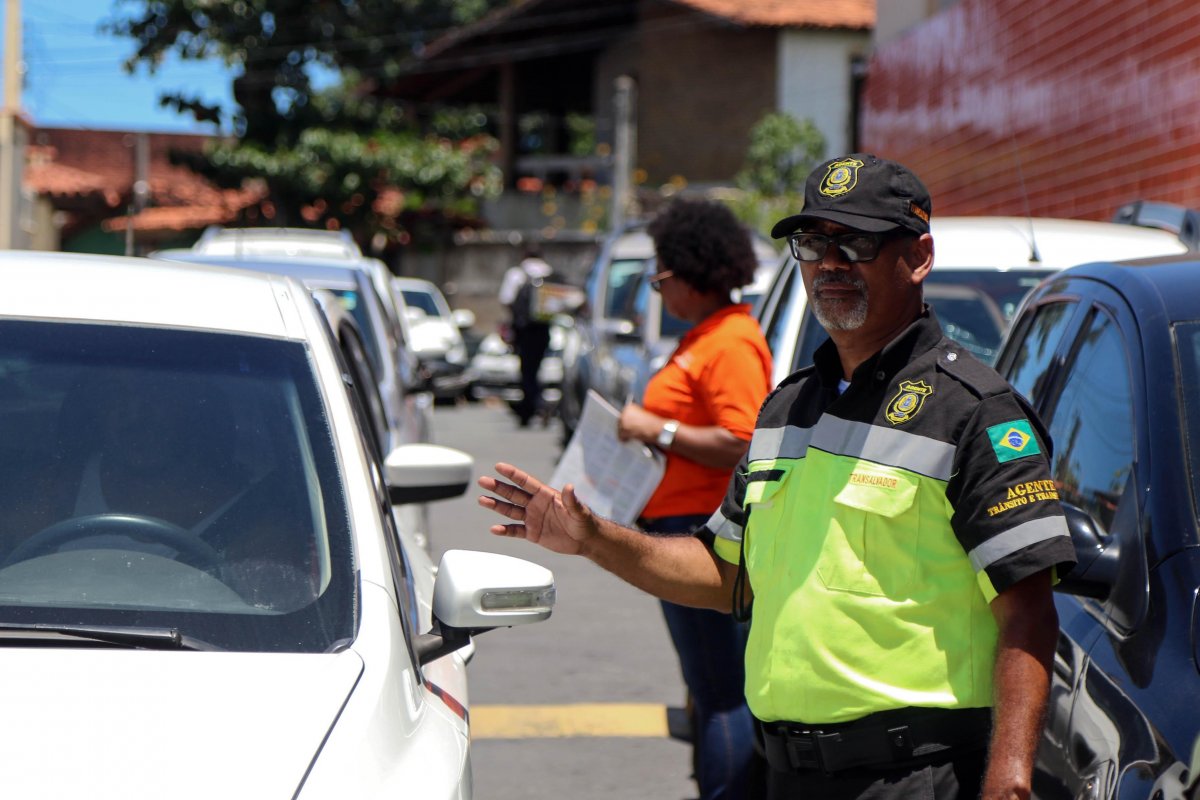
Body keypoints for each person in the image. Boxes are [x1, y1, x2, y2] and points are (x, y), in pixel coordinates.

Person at [478, 153, 1078, 800]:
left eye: (857, 242)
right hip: (788, 775)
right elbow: (723, 573)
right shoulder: (786, 410)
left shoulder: (973, 410)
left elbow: (1027, 611)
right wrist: (593, 538)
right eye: (813, 243)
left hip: (915, 777)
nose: (830, 263)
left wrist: (1008, 779)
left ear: (919, 256)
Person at [616, 197, 772, 800]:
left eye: (661, 278)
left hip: (707, 532)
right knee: (708, 687)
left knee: (720, 691)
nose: (658, 292)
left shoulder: (729, 343)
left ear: (693, 273)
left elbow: (743, 442)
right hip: (682, 523)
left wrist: (655, 429)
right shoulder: (706, 338)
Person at [498, 244, 555, 426]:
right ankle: (531, 407)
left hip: (524, 330)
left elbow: (506, 299)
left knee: (527, 371)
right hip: (544, 329)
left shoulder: (517, 274)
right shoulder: (550, 273)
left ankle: (537, 405)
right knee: (535, 369)